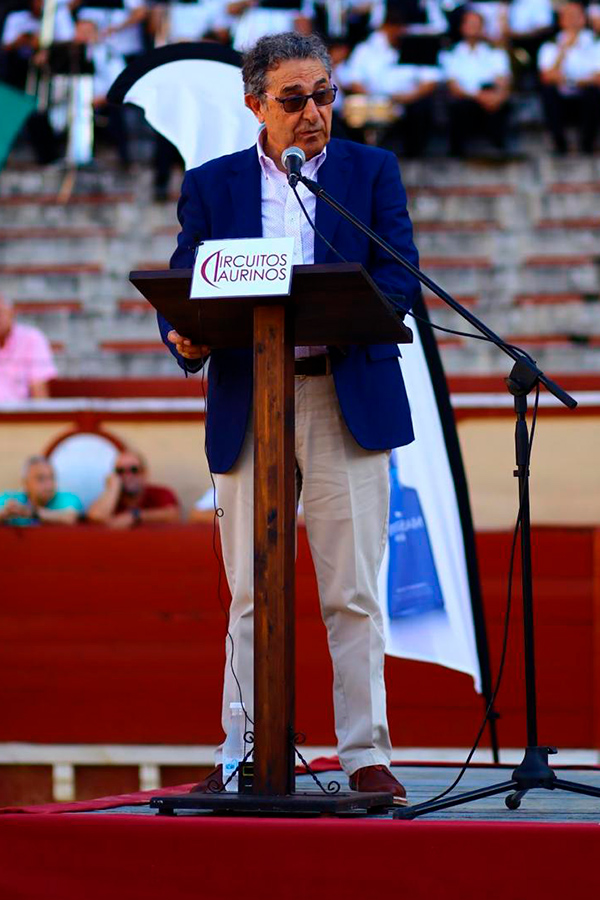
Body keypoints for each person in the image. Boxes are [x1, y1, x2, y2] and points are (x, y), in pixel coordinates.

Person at [158, 32, 421, 803]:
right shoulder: (211, 185)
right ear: (255, 105)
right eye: (294, 99)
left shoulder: (372, 172)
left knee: (353, 592)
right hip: (252, 400)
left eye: (324, 95)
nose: (314, 113)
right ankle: (240, 753)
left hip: (345, 397)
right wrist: (181, 331)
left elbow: (396, 272)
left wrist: (357, 313)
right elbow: (186, 279)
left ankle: (364, 753)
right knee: (248, 592)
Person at [440, 8, 512, 157]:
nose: (473, 28)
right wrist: (478, 96)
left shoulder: (495, 52)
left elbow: (503, 81)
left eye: (477, 24)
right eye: (470, 24)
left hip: (490, 99)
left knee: (501, 106)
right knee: (458, 106)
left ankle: (498, 147)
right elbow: (453, 86)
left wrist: (497, 97)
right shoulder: (450, 53)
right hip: (466, 100)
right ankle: (457, 151)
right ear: (461, 27)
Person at [538, 2, 600, 155]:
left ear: (584, 19)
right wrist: (564, 50)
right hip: (562, 99)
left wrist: (571, 81)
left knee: (593, 92)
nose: (572, 21)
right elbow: (547, 76)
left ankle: (587, 143)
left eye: (576, 16)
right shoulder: (551, 45)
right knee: (548, 92)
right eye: (568, 17)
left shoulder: (596, 43)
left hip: (588, 99)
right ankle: (559, 144)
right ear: (561, 21)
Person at [87, 449, 180, 528]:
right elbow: (96, 517)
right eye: (120, 471)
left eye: (134, 470)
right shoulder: (110, 499)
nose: (128, 475)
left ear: (144, 473)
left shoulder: (161, 493)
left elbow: (173, 515)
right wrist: (113, 488)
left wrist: (135, 516)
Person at [0, 294, 58, 401]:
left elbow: (39, 390)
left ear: (12, 312)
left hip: (20, 415)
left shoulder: (32, 339)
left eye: (0, 313)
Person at [0, 455, 83, 526]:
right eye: (41, 479)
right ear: (25, 483)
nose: (49, 484)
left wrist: (32, 513)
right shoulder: (11, 499)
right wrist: (6, 513)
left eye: (51, 478)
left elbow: (70, 517)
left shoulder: (67, 498)